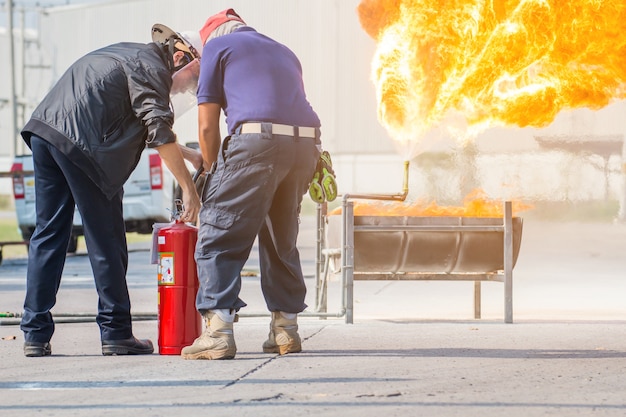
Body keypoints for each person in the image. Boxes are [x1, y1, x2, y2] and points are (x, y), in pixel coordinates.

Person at [19, 24, 203, 357]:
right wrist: (189, 190)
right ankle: (116, 332)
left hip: (46, 134)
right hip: (81, 145)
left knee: (48, 235)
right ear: (180, 57)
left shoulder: (131, 53)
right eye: (189, 80)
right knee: (107, 239)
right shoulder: (154, 68)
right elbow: (158, 129)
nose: (182, 90)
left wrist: (190, 155)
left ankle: (34, 333)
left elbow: (140, 126)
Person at [181, 8, 322, 360]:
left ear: (209, 38)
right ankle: (286, 330)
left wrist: (213, 173)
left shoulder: (217, 48)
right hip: (307, 145)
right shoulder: (283, 50)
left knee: (218, 231)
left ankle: (218, 333)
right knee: (281, 236)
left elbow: (208, 128)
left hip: (256, 142)